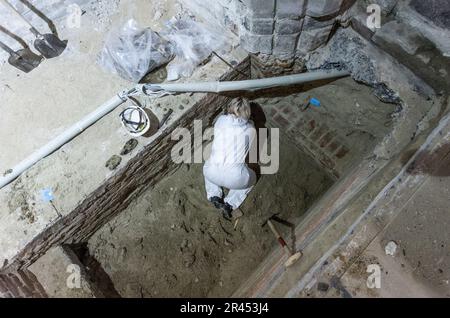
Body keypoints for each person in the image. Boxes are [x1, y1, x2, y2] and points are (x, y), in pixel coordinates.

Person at [203, 97, 257, 219]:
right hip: (235, 179)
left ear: (230, 108)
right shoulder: (251, 130)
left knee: (209, 164)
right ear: (247, 113)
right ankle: (230, 204)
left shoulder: (220, 121)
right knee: (252, 179)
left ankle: (214, 195)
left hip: (211, 174)